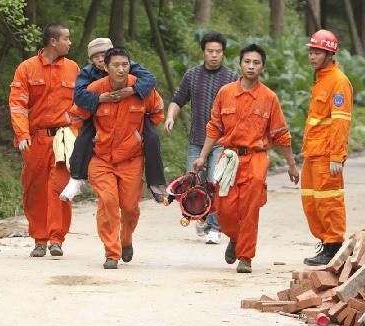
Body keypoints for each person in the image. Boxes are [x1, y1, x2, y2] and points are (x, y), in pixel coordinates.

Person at [192, 44, 298, 273]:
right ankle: (235, 238)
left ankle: (246, 257)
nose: (251, 66)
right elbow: (214, 127)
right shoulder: (226, 93)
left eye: (256, 63)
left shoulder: (269, 98)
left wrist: (291, 164)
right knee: (224, 210)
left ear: (262, 67)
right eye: (247, 62)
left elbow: (281, 134)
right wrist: (202, 157)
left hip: (255, 160)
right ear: (239, 65)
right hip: (228, 160)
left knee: (250, 210)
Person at [68, 47, 165, 269]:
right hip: (101, 159)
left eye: (125, 64)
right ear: (105, 67)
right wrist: (89, 138)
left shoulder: (142, 89)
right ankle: (112, 252)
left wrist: (140, 136)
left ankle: (126, 239)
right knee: (108, 201)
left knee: (130, 207)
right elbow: (75, 116)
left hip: (132, 159)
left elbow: (158, 112)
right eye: (115, 65)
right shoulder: (94, 90)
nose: (121, 69)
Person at [8, 23, 80, 258]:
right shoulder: (27, 68)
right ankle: (39, 239)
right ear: (53, 42)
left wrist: (75, 134)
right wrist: (22, 134)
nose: (70, 43)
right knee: (34, 189)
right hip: (36, 140)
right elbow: (18, 104)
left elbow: (80, 105)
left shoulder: (73, 68)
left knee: (59, 188)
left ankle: (56, 239)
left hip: (63, 139)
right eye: (66, 39)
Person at [61, 38, 160, 200]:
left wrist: (132, 90)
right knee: (84, 136)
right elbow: (78, 96)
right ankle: (76, 177)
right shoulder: (87, 73)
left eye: (103, 54)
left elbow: (150, 79)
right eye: (96, 57)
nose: (100, 59)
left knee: (152, 137)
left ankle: (155, 182)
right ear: (91, 60)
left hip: (132, 113)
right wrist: (100, 98)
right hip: (99, 113)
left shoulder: (126, 65)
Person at [164, 32, 237, 245]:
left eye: (218, 52)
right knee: (193, 182)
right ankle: (201, 216)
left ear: (223, 53)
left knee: (214, 181)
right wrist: (170, 117)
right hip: (196, 140)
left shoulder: (232, 78)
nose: (214, 55)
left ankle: (215, 228)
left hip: (220, 142)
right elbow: (178, 100)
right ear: (203, 52)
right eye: (210, 51)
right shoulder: (192, 75)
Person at [300, 30, 354, 267]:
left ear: (329, 53)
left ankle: (333, 246)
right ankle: (325, 242)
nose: (312, 56)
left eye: (317, 52)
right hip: (312, 152)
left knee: (329, 201)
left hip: (326, 154)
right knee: (311, 201)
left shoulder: (338, 82)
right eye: (311, 52)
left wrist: (336, 156)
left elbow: (340, 123)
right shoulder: (321, 79)